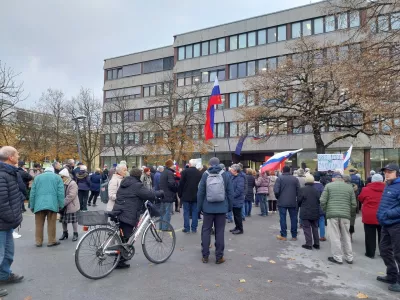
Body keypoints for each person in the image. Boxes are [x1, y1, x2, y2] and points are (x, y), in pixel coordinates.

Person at [112, 168, 164, 269]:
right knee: (125, 237)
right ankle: (118, 261)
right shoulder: (137, 185)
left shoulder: (124, 182)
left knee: (123, 237)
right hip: (128, 213)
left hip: (119, 211)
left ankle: (120, 258)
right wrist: (160, 193)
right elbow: (149, 194)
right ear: (139, 176)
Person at [197, 157, 233, 264]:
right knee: (220, 231)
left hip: (208, 208)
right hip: (222, 208)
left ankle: (205, 256)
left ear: (209, 164)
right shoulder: (225, 175)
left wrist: (199, 208)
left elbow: (200, 193)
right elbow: (230, 192)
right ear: (219, 164)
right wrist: (229, 207)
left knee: (206, 231)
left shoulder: (205, 174)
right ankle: (219, 257)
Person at [0, 146, 25, 297]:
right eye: (17, 154)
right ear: (10, 157)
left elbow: (15, 194)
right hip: (3, 222)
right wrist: (12, 217)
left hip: (7, 223)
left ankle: (4, 275)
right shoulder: (2, 175)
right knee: (1, 254)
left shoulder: (9, 173)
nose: (18, 156)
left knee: (8, 253)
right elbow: (1, 203)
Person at [320, 173, 356, 264]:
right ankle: (349, 257)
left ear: (333, 179)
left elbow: (322, 201)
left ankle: (338, 257)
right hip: (345, 215)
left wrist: (326, 210)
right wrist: (350, 214)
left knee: (334, 236)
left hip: (332, 214)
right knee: (346, 236)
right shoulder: (349, 187)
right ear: (342, 179)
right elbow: (353, 204)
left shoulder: (328, 186)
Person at [376, 164, 400, 292]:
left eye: (390, 171)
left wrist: (388, 213)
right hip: (386, 224)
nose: (387, 173)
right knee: (384, 250)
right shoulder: (389, 185)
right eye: (385, 171)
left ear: (397, 173)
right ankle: (392, 275)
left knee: (398, 253)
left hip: (396, 224)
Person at [30, 166, 64, 247]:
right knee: (52, 223)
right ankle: (51, 241)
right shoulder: (57, 178)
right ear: (53, 171)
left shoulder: (37, 178)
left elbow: (32, 193)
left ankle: (38, 241)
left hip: (39, 204)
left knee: (39, 224)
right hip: (52, 203)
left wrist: (32, 205)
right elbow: (61, 193)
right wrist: (61, 205)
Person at [358, 173, 385, 259]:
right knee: (383, 235)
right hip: (382, 214)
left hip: (369, 215)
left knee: (369, 235)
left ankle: (370, 253)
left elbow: (360, 198)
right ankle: (383, 252)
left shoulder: (366, 189)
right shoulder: (387, 188)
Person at [274, 166, 300, 241]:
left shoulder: (280, 178)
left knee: (282, 218)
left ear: (282, 171)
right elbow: (299, 190)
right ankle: (294, 236)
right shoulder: (295, 179)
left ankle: (284, 235)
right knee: (294, 218)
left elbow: (276, 190)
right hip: (292, 201)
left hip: (282, 201)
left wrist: (278, 197)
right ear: (290, 171)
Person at [178, 159, 202, 233]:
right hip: (196, 195)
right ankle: (194, 228)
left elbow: (181, 183)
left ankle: (187, 228)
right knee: (195, 212)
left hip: (186, 195)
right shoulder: (199, 173)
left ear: (189, 164)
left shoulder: (185, 172)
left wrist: (180, 194)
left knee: (186, 212)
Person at [298, 174, 320, 250]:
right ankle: (317, 243)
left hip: (305, 211)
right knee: (315, 227)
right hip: (315, 210)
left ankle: (309, 244)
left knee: (306, 227)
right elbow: (319, 200)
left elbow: (299, 200)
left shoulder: (302, 189)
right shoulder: (316, 190)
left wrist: (300, 205)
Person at [58, 168, 80, 242]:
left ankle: (75, 233)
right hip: (64, 205)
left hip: (71, 205)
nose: (61, 178)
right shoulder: (62, 182)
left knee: (74, 220)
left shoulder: (72, 183)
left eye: (62, 177)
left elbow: (71, 196)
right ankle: (65, 233)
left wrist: (62, 203)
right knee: (63, 220)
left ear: (66, 176)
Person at [159, 159, 178, 229]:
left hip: (163, 194)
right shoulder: (169, 173)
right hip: (168, 195)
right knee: (167, 212)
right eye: (173, 165)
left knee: (162, 212)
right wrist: (176, 188)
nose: (174, 166)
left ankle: (161, 226)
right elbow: (171, 184)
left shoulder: (163, 172)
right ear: (170, 165)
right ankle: (165, 227)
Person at [230, 164, 246, 235]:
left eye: (232, 169)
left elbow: (239, 189)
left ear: (236, 171)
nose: (230, 170)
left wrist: (232, 195)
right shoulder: (234, 177)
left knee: (238, 215)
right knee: (235, 215)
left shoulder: (240, 178)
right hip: (234, 200)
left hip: (237, 199)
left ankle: (240, 229)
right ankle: (237, 227)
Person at [313, 173, 326, 242]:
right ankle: (322, 236)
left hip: (312, 206)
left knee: (314, 221)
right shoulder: (322, 187)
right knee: (321, 220)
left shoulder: (311, 186)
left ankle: (315, 235)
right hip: (320, 205)